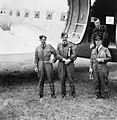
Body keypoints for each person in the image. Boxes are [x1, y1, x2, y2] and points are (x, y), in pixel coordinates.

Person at [89, 35, 111, 99]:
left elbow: (109, 58)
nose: (97, 42)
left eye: (98, 40)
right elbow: (91, 60)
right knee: (96, 82)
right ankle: (98, 95)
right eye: (96, 40)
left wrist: (103, 60)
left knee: (103, 81)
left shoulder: (105, 49)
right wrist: (90, 67)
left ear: (101, 41)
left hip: (102, 68)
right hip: (95, 68)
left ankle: (105, 96)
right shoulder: (93, 50)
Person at [56, 32, 77, 98]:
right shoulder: (59, 45)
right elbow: (57, 54)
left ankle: (73, 93)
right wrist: (63, 59)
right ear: (61, 38)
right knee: (62, 79)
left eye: (66, 37)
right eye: (64, 37)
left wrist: (69, 60)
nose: (65, 39)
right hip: (62, 63)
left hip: (69, 63)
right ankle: (63, 93)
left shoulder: (71, 45)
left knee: (71, 78)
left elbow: (74, 54)